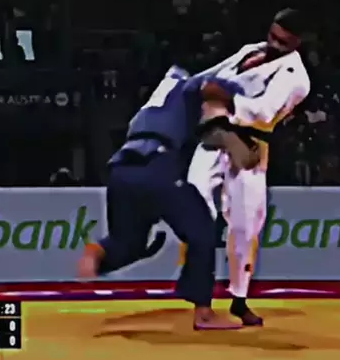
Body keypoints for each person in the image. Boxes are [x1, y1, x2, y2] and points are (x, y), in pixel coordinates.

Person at [77, 66, 260, 330]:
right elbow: (209, 89)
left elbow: (206, 135)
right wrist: (233, 101)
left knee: (129, 244)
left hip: (121, 171)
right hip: (158, 167)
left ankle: (99, 251)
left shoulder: (155, 104)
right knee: (202, 232)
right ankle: (204, 313)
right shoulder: (190, 86)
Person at [183, 8, 311, 326]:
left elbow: (264, 112)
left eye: (283, 41)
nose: (274, 44)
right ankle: (200, 297)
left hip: (251, 146)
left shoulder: (297, 78)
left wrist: (222, 100)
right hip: (216, 135)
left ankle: (239, 299)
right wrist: (191, 86)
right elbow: (213, 75)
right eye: (273, 35)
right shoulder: (249, 51)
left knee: (245, 226)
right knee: (194, 203)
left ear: (297, 42)